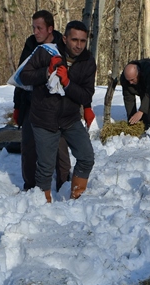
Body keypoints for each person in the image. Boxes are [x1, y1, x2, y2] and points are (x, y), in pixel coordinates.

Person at [19, 20, 96, 202]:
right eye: (74, 40)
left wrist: (67, 83)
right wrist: (46, 72)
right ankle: (43, 204)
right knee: (45, 167)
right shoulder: (46, 52)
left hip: (70, 119)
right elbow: (23, 76)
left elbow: (86, 96)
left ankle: (77, 198)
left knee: (86, 157)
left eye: (83, 41)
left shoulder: (88, 61)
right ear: (65, 38)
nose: (78, 45)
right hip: (44, 119)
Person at [13, 10, 71, 192]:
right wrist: (17, 106)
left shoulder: (63, 44)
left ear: (50, 29)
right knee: (29, 145)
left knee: (60, 146)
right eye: (33, 28)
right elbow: (20, 76)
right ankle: (30, 186)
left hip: (56, 105)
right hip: (31, 103)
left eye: (39, 28)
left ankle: (64, 182)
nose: (35, 32)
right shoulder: (31, 44)